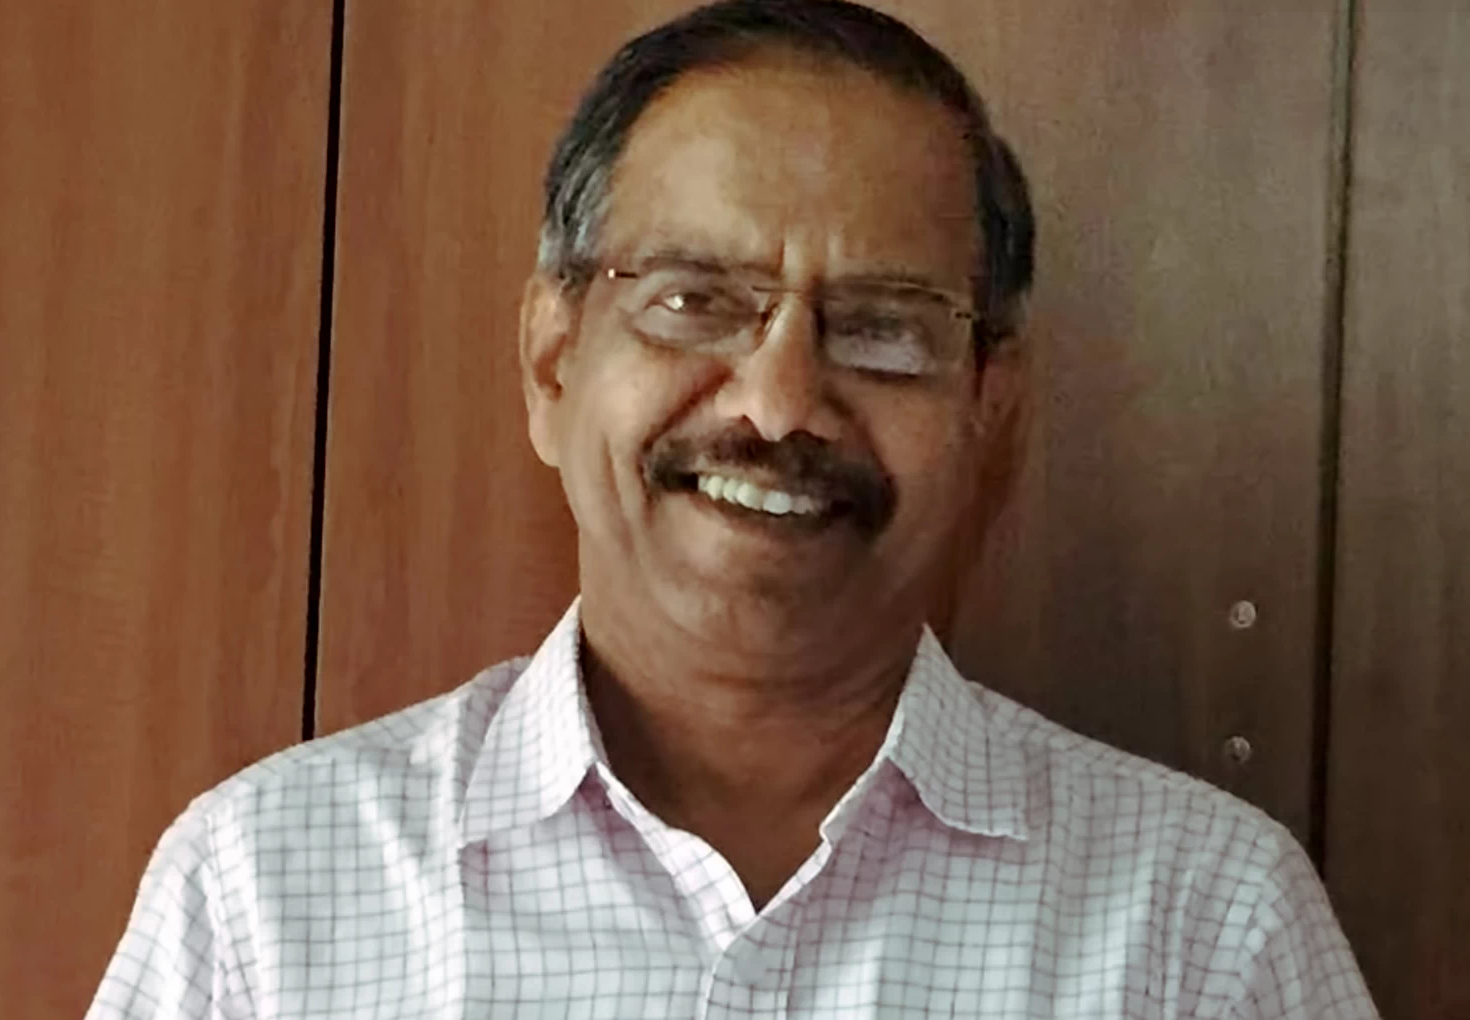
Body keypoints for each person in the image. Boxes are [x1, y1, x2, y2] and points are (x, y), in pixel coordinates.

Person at [88, 1, 1379, 1016]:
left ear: (990, 408)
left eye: (882, 327)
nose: (778, 403)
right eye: (695, 302)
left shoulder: (1204, 928)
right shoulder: (270, 895)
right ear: (553, 364)